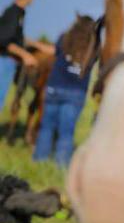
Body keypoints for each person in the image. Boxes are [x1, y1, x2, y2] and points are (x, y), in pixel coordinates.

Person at [33, 13, 98, 166]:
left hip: (54, 88)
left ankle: (39, 162)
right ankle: (60, 165)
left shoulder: (65, 38)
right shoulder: (94, 45)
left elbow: (52, 51)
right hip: (76, 93)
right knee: (66, 133)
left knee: (46, 128)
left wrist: (33, 44)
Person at [0, 0, 54, 113]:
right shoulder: (13, 13)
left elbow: (18, 38)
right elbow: (4, 40)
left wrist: (40, 46)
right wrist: (26, 55)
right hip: (4, 60)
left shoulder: (19, 12)